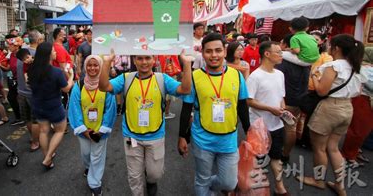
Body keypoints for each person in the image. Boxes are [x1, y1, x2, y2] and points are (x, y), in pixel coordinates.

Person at [99, 50, 192, 196]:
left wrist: (186, 64)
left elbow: (185, 89)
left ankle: (150, 180)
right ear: (134, 60)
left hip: (155, 136)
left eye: (147, 58)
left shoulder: (162, 79)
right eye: (140, 58)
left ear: (154, 59)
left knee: (155, 175)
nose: (144, 62)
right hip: (132, 136)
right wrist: (106, 63)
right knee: (135, 177)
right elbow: (104, 87)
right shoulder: (125, 78)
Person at [178, 33, 250, 196]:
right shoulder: (195, 77)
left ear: (225, 51)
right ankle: (203, 187)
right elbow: (186, 108)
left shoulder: (237, 76)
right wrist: (182, 136)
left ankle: (205, 185)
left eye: (218, 50)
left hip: (229, 139)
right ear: (202, 53)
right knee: (202, 178)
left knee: (229, 182)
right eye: (209, 51)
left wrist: (249, 131)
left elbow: (242, 106)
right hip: (202, 139)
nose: (214, 55)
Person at [299, 34, 364, 196]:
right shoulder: (356, 66)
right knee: (334, 148)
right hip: (347, 107)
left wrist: (314, 76)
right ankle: (339, 185)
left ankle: (319, 180)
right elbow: (359, 91)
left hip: (330, 108)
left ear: (337, 48)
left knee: (319, 148)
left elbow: (321, 91)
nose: (328, 47)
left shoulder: (333, 66)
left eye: (330, 45)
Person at [69, 56, 117, 196]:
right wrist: (83, 130)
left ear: (100, 67)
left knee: (97, 156)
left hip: (100, 130)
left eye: (96, 65)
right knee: (86, 154)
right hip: (84, 130)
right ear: (85, 66)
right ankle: (88, 167)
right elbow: (74, 108)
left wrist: (102, 130)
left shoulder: (106, 85)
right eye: (89, 65)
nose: (92, 68)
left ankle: (95, 183)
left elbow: (110, 109)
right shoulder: (78, 86)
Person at [247, 41, 290, 196]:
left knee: (276, 157)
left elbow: (281, 96)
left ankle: (280, 187)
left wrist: (282, 108)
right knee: (256, 160)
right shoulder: (255, 76)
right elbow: (249, 101)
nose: (281, 55)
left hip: (276, 124)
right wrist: (270, 109)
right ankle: (251, 189)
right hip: (259, 126)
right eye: (278, 52)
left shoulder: (280, 74)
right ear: (267, 54)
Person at [28, 42, 74, 170]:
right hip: (54, 106)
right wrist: (71, 76)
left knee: (43, 131)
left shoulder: (32, 69)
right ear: (48, 55)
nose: (55, 53)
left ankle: (47, 156)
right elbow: (66, 89)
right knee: (60, 130)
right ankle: (48, 157)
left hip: (38, 105)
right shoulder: (57, 72)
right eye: (53, 51)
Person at [275, 34, 311, 165]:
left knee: (275, 126)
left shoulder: (281, 61)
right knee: (291, 127)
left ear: (285, 44)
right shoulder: (306, 61)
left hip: (283, 99)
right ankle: (286, 155)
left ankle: (274, 152)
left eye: (281, 42)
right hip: (299, 99)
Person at [341, 47, 373, 167]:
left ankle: (354, 151)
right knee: (358, 129)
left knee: (364, 130)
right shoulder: (363, 68)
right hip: (363, 100)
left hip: (366, 100)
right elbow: (369, 85)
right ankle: (347, 155)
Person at [16, 30, 42, 152]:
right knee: (35, 119)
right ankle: (36, 142)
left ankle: (33, 138)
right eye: (41, 39)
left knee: (27, 118)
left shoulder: (20, 53)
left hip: (21, 90)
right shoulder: (38, 55)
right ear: (37, 40)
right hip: (34, 93)